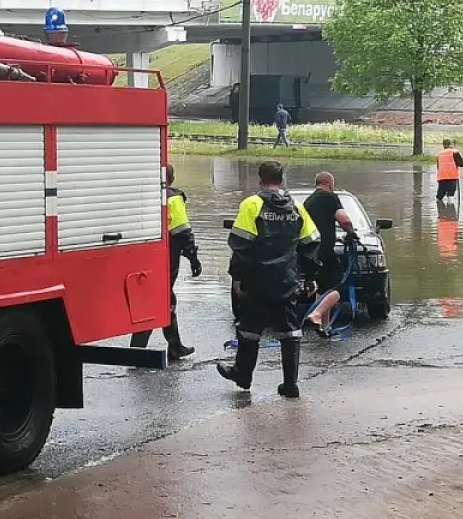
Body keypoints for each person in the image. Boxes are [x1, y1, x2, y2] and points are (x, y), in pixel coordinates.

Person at [217, 161, 321, 396]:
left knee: (249, 330)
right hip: (287, 280)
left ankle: (243, 376)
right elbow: (311, 242)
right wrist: (310, 277)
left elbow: (241, 246)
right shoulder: (296, 207)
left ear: (260, 179)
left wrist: (237, 278)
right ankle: (291, 384)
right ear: (282, 179)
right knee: (290, 332)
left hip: (257, 280)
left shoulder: (252, 205)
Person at [129, 164, 200, 361]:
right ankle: (136, 352)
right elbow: (182, 232)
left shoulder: (142, 196)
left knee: (163, 299)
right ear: (172, 178)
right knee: (159, 301)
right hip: (165, 261)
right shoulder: (173, 198)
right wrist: (193, 258)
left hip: (141, 260)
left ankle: (174, 346)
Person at [303, 172, 358, 336]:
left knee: (323, 288)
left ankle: (324, 326)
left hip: (310, 253)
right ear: (329, 184)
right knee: (337, 288)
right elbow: (344, 219)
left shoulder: (308, 202)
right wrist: (350, 233)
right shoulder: (330, 197)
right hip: (325, 250)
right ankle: (316, 314)